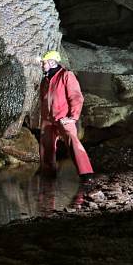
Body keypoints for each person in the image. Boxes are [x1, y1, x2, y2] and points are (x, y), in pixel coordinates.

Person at [39, 50, 94, 178]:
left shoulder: (66, 75)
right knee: (46, 145)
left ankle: (86, 173)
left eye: (44, 63)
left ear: (52, 62)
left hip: (64, 117)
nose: (42, 65)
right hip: (48, 119)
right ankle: (48, 174)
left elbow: (76, 97)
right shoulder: (45, 80)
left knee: (72, 141)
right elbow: (43, 100)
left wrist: (73, 117)